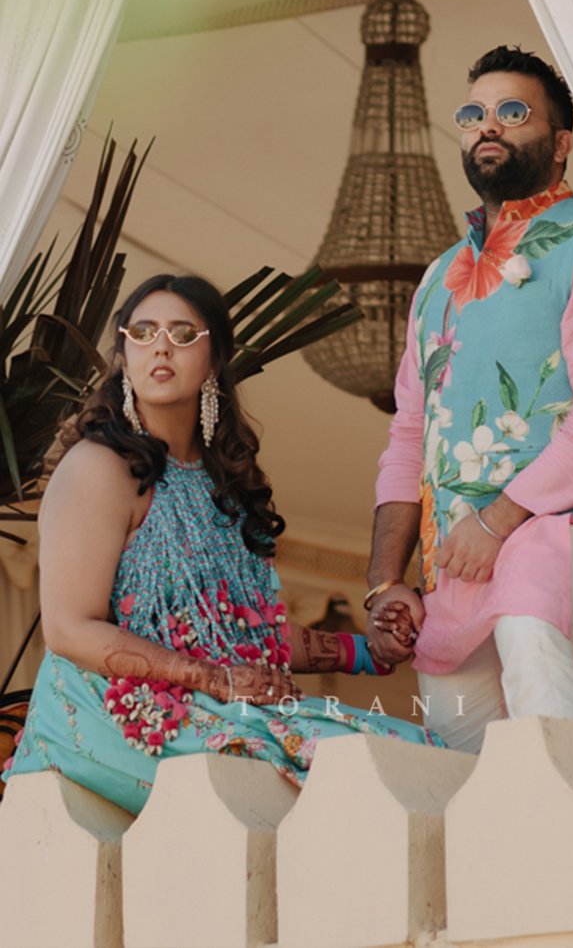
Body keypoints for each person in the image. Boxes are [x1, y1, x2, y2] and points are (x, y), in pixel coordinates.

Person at [3, 274, 443, 814]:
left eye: (183, 333)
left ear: (214, 360)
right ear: (124, 356)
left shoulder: (225, 483)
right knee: (339, 763)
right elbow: (69, 629)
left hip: (219, 701)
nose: (161, 346)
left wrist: (367, 652)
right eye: (143, 332)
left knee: (407, 750)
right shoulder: (98, 467)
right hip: (109, 709)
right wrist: (217, 679)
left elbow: (244, 635)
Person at [365, 45, 573, 753]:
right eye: (472, 113)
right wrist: (384, 585)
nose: (487, 126)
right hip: (451, 554)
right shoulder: (440, 276)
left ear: (561, 143)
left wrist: (497, 522)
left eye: (512, 111)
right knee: (461, 756)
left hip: (552, 523)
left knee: (533, 646)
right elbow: (409, 435)